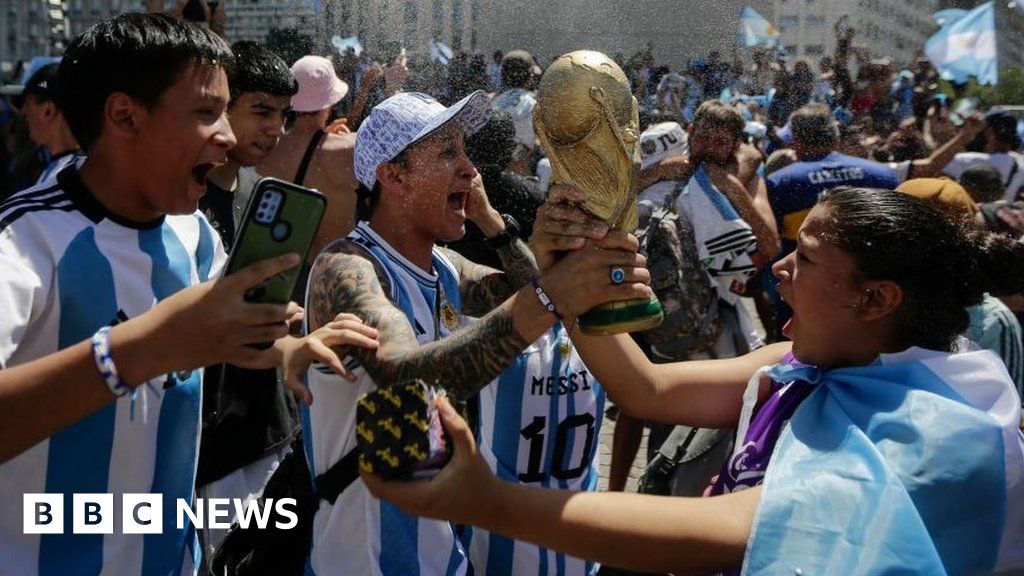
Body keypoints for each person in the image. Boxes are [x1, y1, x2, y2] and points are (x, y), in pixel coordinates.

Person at [366, 186, 1024, 575]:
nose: (778, 270)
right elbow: (647, 390)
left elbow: (726, 529)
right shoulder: (804, 367)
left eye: (808, 259)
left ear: (875, 300)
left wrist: (488, 504)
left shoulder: (936, 438)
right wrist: (570, 274)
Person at [0, 13, 372, 575]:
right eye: (206, 113)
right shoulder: (21, 243)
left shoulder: (192, 232)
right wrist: (146, 347)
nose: (226, 135)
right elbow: (172, 339)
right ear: (125, 115)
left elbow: (217, 326)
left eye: (226, 112)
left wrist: (284, 349)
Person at [299, 91, 649, 575]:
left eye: (465, 152)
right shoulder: (348, 268)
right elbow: (406, 384)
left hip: (446, 558)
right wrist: (548, 294)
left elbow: (531, 291)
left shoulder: (445, 266)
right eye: (448, 153)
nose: (471, 169)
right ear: (393, 176)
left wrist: (495, 224)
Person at [195, 39, 300, 555]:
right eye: (260, 110)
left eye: (282, 115)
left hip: (272, 427)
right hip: (209, 450)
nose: (274, 129)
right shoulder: (178, 206)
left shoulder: (266, 194)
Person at [257, 55, 360, 279]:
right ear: (330, 102)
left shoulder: (267, 150)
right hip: (338, 271)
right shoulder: (350, 149)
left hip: (288, 273)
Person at [8, 63, 83, 186]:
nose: (23, 112)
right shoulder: (83, 168)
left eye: (27, 104)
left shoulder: (62, 178)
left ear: (48, 111)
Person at [942, 110, 1024, 201]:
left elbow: (934, 165)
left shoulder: (967, 161)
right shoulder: (1021, 161)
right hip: (1004, 214)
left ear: (989, 131)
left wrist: (964, 134)